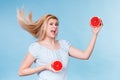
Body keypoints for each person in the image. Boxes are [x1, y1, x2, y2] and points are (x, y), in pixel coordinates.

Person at [17, 9, 103, 80]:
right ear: (44, 27)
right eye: (51, 24)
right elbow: (21, 71)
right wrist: (45, 67)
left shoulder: (64, 44)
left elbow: (85, 55)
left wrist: (94, 34)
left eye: (56, 24)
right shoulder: (36, 47)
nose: (54, 27)